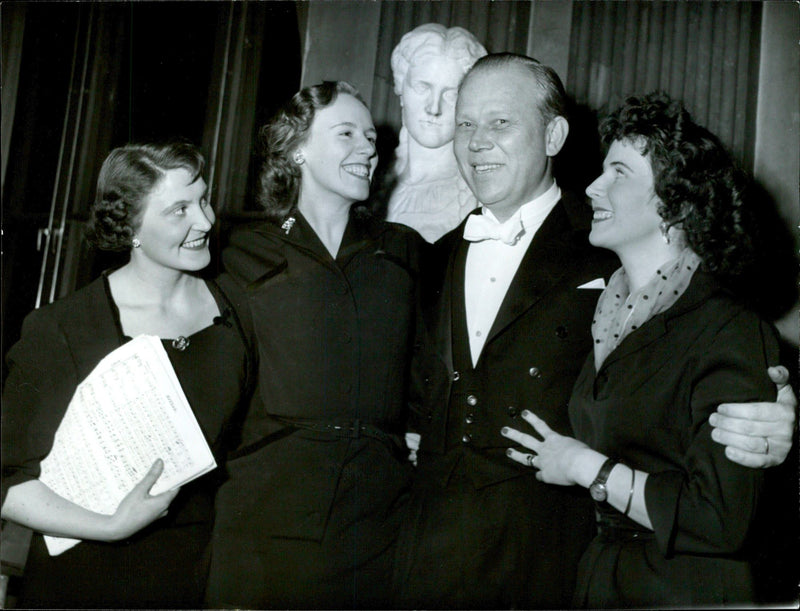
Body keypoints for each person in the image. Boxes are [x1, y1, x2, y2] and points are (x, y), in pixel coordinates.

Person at [392, 53, 797, 609]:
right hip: (430, 564)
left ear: (554, 134)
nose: (476, 141)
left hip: (556, 565)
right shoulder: (427, 261)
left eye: (500, 122)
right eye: (465, 125)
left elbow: (705, 368)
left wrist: (780, 414)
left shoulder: (610, 248)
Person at [502, 92, 788, 607]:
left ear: (674, 207)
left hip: (686, 592)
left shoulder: (730, 328)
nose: (592, 187)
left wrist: (584, 466)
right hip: (605, 583)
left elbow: (721, 519)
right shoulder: (611, 314)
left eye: (619, 173)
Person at [1, 142, 254, 608]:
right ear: (131, 227)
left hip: (195, 578)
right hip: (83, 580)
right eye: (179, 209)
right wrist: (111, 526)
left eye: (203, 199)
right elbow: (7, 482)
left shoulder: (234, 315)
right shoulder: (66, 328)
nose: (205, 221)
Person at [204, 81, 424, 609]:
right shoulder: (238, 251)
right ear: (296, 148)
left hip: (375, 527)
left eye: (371, 138)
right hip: (264, 525)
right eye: (346, 133)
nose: (368, 148)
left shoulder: (403, 254)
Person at [384, 23, 486, 243]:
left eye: (451, 94)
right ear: (401, 86)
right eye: (422, 87)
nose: (433, 108)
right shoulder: (372, 180)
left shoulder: (482, 190)